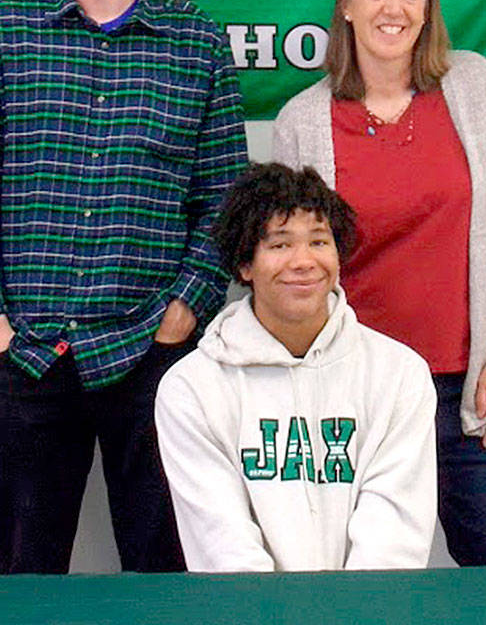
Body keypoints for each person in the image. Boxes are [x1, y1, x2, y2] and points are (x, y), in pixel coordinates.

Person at [0, 0, 247, 575]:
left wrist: (186, 308)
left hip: (152, 353)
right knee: (26, 576)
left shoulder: (198, 44)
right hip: (28, 351)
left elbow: (224, 200)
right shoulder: (1, 35)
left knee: (162, 576)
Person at [272, 0, 486, 565]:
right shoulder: (302, 123)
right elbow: (287, 272)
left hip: (477, 396)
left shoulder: (473, 88)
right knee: (362, 597)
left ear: (427, 9)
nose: (392, 7)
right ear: (344, 5)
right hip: (355, 403)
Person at [155, 163, 437, 571]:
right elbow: (222, 546)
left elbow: (393, 540)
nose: (303, 262)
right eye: (279, 245)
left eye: (319, 242)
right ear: (245, 265)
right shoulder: (192, 388)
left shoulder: (399, 375)